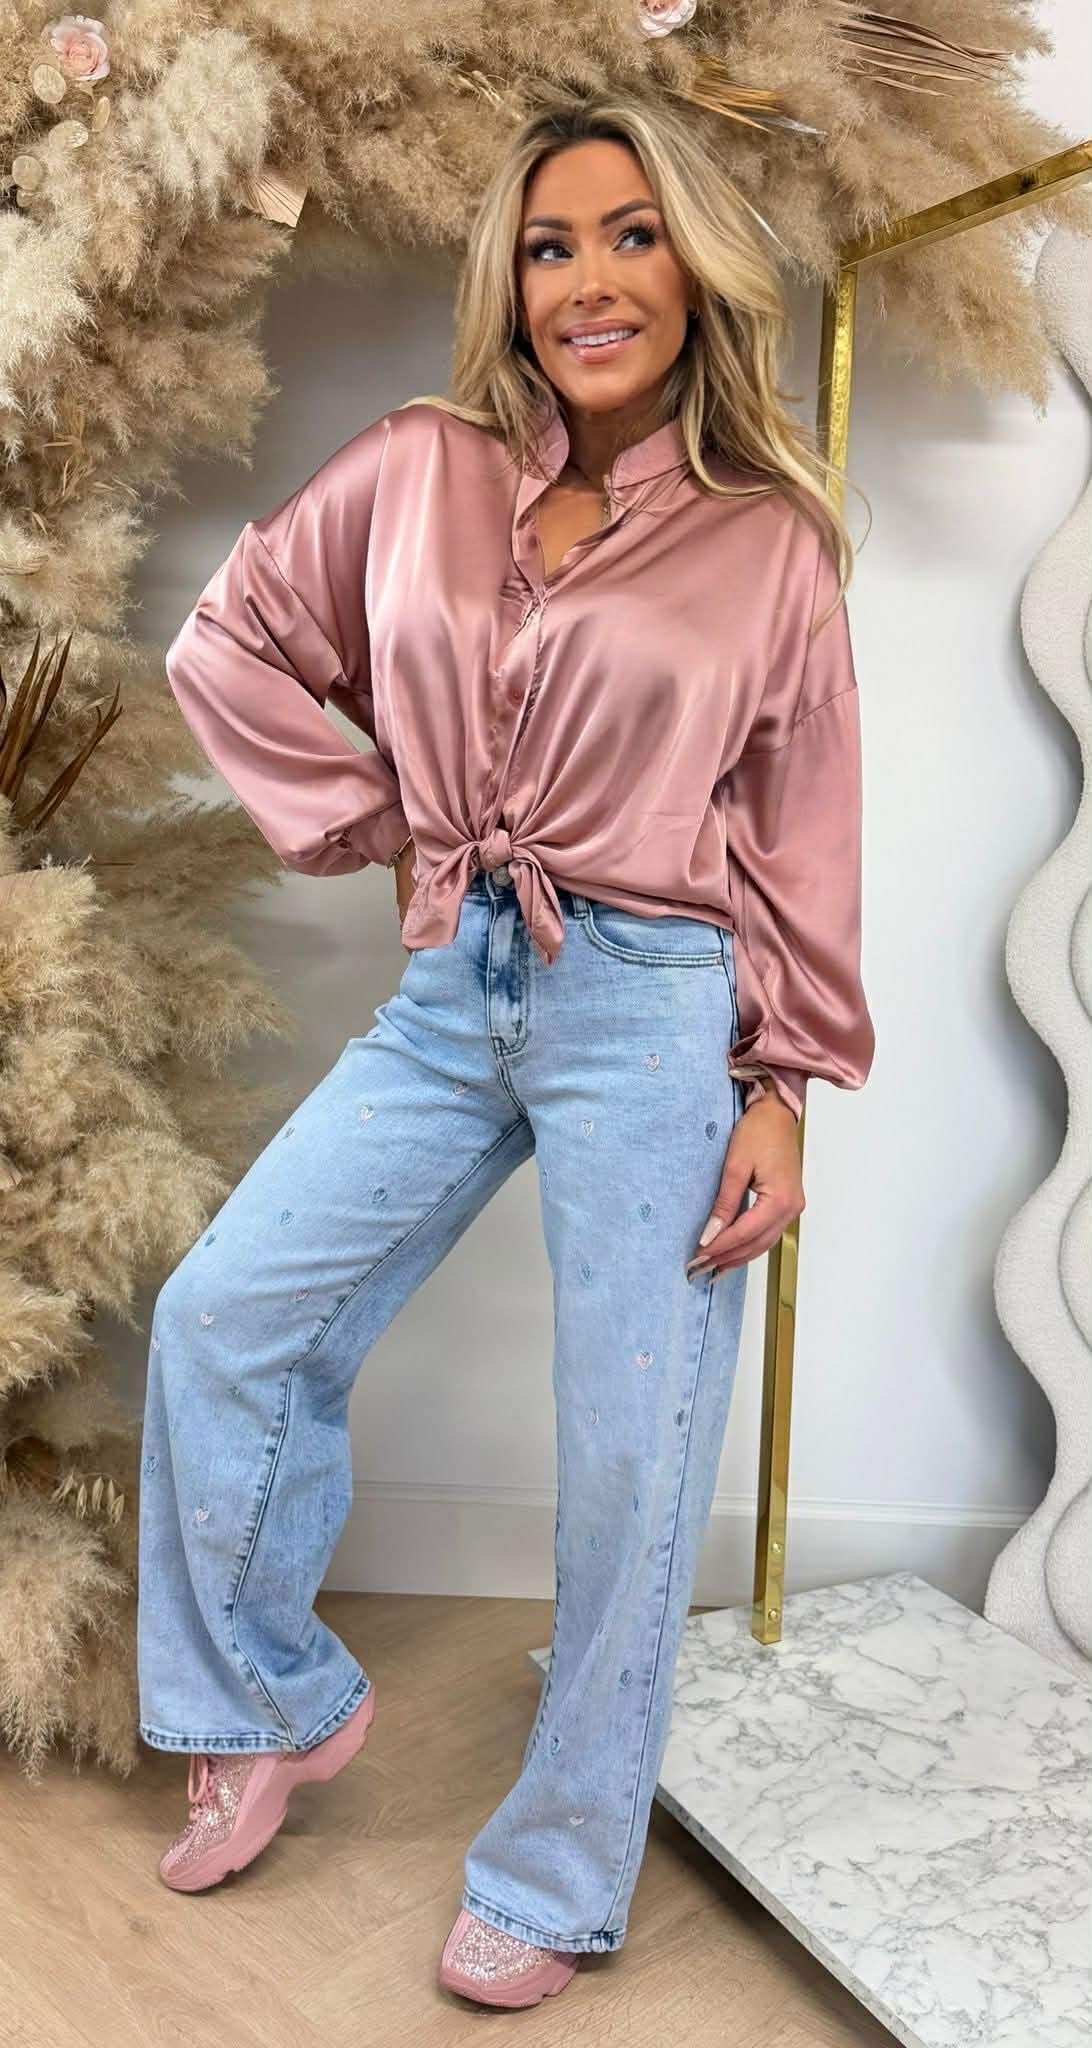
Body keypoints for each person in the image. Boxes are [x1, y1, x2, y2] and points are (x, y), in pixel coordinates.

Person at [137, 85, 875, 2010]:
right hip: (455, 983)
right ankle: (269, 1700)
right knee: (227, 1314)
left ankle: (554, 1871)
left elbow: (800, 828)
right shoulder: (418, 468)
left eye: (631, 236)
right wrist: (386, 820)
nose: (589, 281)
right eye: (552, 247)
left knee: (634, 1450)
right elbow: (227, 640)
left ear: (693, 270)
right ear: (512, 282)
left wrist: (782, 1089)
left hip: (659, 1003)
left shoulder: (770, 546)